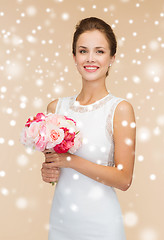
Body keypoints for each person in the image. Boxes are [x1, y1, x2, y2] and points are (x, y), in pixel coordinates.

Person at [41, 17, 136, 240]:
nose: (90, 59)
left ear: (112, 57)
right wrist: (48, 171)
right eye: (83, 51)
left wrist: (69, 161)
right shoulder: (56, 107)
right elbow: (53, 166)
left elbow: (124, 179)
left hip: (101, 225)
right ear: (74, 56)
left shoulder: (120, 109)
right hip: (61, 222)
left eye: (99, 51)